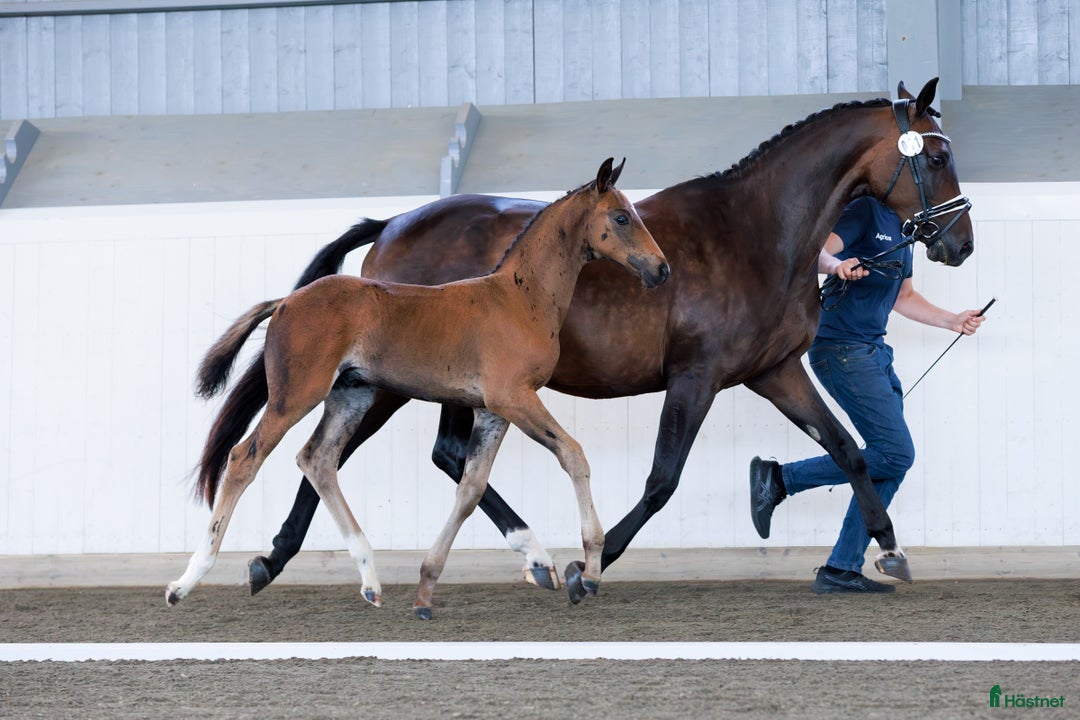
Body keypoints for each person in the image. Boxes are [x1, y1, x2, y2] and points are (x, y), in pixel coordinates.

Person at [749, 195, 986, 594]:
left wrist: (952, 320)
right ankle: (781, 479)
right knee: (897, 452)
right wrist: (836, 266)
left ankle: (841, 568)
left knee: (890, 461)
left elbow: (903, 297)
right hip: (841, 348)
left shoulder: (905, 230)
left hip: (874, 352)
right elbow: (819, 251)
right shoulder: (865, 212)